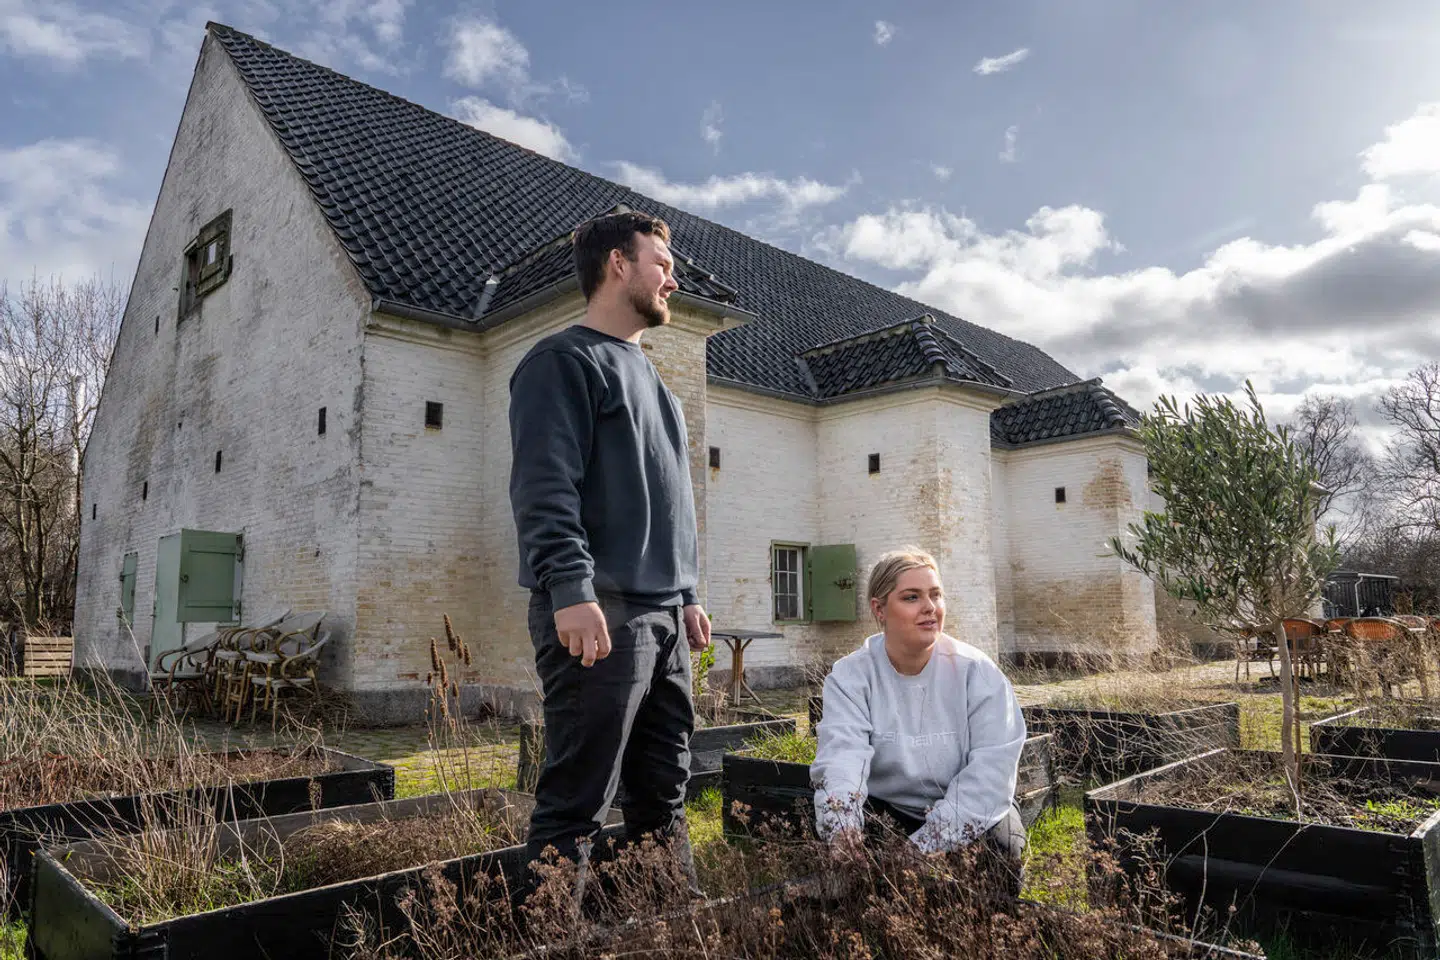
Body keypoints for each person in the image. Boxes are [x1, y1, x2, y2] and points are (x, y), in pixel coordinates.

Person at [508, 210, 712, 898]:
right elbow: (544, 487)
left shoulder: (661, 390)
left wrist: (686, 593)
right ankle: (546, 940)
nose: (673, 280)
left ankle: (674, 929)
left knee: (664, 795)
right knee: (578, 804)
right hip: (600, 618)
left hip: (664, 619)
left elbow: (671, 502)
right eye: (662, 264)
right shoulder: (560, 362)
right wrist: (570, 587)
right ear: (618, 264)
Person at [810, 547, 1027, 887]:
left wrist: (926, 844)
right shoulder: (852, 677)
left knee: (1003, 847)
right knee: (855, 869)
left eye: (936, 595)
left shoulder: (978, 673)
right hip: (887, 808)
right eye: (912, 597)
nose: (930, 608)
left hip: (965, 807)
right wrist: (843, 829)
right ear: (879, 609)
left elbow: (990, 773)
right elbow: (842, 757)